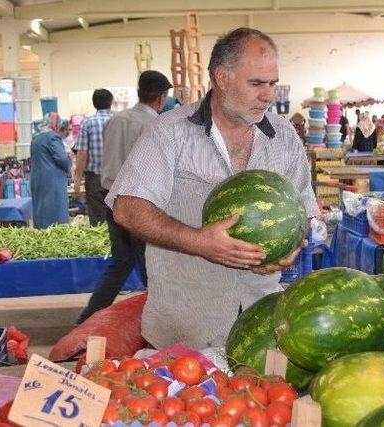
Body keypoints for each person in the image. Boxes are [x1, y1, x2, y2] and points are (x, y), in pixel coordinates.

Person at [104, 28, 319, 349]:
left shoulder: (284, 136)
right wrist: (199, 242)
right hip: (185, 327)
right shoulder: (169, 133)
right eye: (256, 83)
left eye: (272, 83)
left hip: (263, 323)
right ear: (222, 77)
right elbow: (128, 208)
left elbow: (305, 209)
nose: (268, 95)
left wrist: (290, 249)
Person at [76, 70, 172, 325]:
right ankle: (160, 321)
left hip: (110, 196)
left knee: (122, 261)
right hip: (138, 201)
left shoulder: (116, 120)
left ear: (140, 92)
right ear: (161, 98)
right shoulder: (154, 125)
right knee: (151, 263)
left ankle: (88, 317)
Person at [73, 89, 114, 226]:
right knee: (117, 219)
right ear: (111, 102)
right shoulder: (119, 120)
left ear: (94, 104)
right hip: (117, 178)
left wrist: (77, 180)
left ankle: (101, 246)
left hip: (95, 179)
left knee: (97, 220)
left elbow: (82, 153)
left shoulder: (87, 123)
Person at [30, 113, 71, 229]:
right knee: (56, 218)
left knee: (41, 213)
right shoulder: (52, 137)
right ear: (55, 123)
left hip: (38, 180)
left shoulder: (36, 138)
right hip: (52, 183)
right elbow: (62, 159)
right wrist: (69, 165)